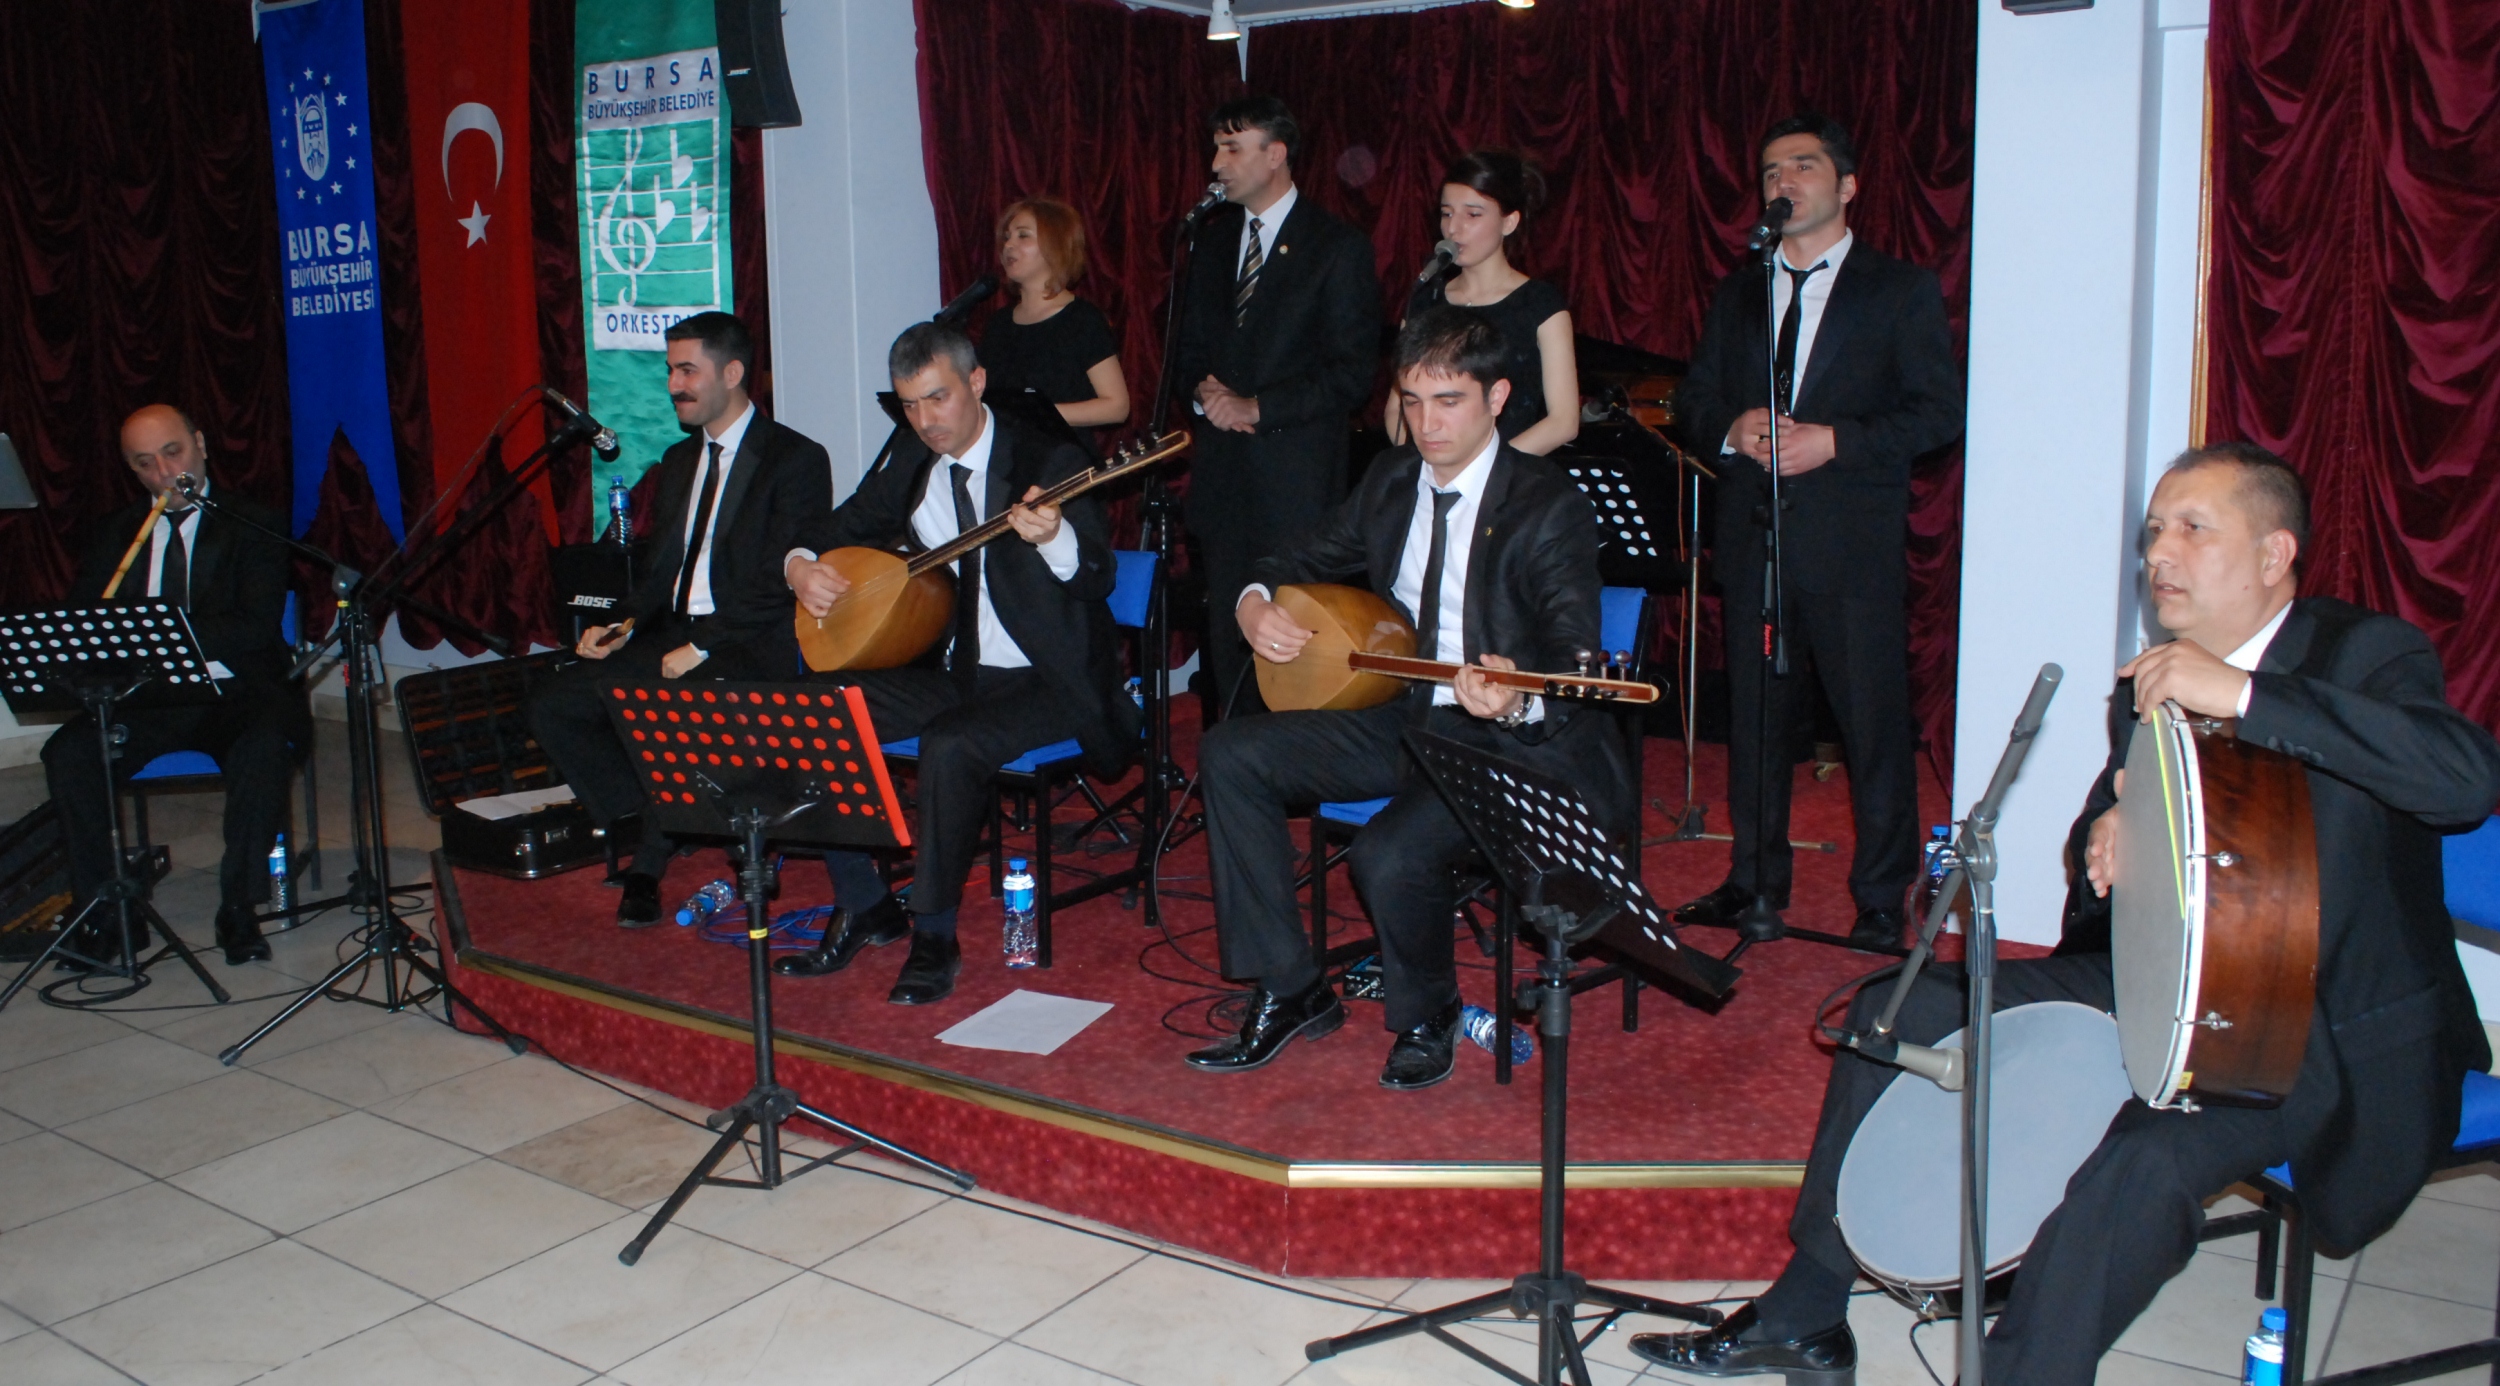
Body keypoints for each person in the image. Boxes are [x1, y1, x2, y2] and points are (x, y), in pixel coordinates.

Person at [1631, 443, 2500, 1383]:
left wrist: (2247, 697)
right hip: (2171, 993)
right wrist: (2111, 834)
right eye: (2154, 532)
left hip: (2316, 1030)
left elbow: (2461, 782)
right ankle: (1805, 1310)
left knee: (2145, 1162)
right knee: (1898, 1008)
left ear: (2273, 553)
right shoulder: (2151, 683)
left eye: (2193, 529)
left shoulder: (2363, 654)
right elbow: (2105, 883)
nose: (2159, 553)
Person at [1184, 308, 1629, 1090]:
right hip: (1408, 715)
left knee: (1388, 851)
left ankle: (1430, 1013)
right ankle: (1291, 986)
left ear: (1497, 398)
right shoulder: (1392, 481)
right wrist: (1253, 602)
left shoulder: (1546, 504)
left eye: (1449, 401)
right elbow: (1291, 556)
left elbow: (1573, 663)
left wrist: (1512, 700)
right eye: (1413, 401)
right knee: (1231, 753)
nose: (1427, 424)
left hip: (1507, 740)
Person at [773, 322, 1138, 1006]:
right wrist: (799, 566)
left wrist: (1055, 537)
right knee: (815, 709)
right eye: (910, 405)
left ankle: (934, 935)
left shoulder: (1046, 458)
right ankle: (865, 902)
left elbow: (1097, 576)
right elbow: (830, 528)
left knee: (950, 744)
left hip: (1049, 678)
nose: (925, 420)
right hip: (955, 671)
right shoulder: (913, 459)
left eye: (937, 398)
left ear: (976, 382)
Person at [1671, 112, 1966, 952]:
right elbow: (1693, 402)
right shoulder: (1740, 290)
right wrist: (1734, 429)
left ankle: (1880, 894)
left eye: (1802, 166)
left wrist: (1835, 441)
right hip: (1754, 539)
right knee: (1756, 723)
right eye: (1771, 171)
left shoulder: (1898, 288)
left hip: (1850, 543)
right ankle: (1754, 880)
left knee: (1870, 725)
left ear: (1847, 185)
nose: (1783, 182)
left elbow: (1938, 412)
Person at [526, 312, 833, 928]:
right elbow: (660, 569)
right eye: (671, 371)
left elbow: (779, 580)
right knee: (554, 705)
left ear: (733, 373)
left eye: (687, 371)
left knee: (673, 710)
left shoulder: (794, 458)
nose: (673, 385)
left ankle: (647, 865)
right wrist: (623, 624)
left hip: (749, 640)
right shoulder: (678, 460)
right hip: (675, 635)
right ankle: (655, 818)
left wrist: (704, 645)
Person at [40, 405, 310, 965]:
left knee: (262, 749)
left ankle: (238, 905)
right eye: (146, 463)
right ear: (132, 470)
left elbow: (254, 625)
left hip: (234, 691)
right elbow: (86, 620)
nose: (164, 473)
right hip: (147, 699)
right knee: (68, 754)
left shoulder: (254, 523)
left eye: (173, 452)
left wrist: (158, 632)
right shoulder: (116, 533)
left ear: (201, 444)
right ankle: (108, 910)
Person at [1171, 94, 1382, 718]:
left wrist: (1257, 407)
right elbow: (1184, 352)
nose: (1217, 163)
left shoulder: (1336, 247)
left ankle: (1289, 763)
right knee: (1226, 642)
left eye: (1232, 148)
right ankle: (1230, 755)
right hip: (1223, 481)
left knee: (1294, 646)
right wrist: (1204, 393)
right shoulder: (1210, 244)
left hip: (1295, 486)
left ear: (1276, 154)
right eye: (1215, 148)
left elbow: (1352, 373)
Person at [1389, 150, 1578, 455]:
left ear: (1509, 222)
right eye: (1447, 213)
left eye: (1473, 215)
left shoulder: (1540, 304)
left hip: (1511, 473)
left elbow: (1563, 421)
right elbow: (1397, 408)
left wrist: (1485, 471)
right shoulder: (1426, 299)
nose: (1453, 228)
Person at [977, 197, 1128, 452]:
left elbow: (1117, 407)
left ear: (1055, 245)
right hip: (1007, 461)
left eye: (1023, 235)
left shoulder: (1082, 319)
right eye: (1007, 237)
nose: (1008, 245)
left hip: (1065, 462)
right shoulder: (998, 325)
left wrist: (1039, 413)